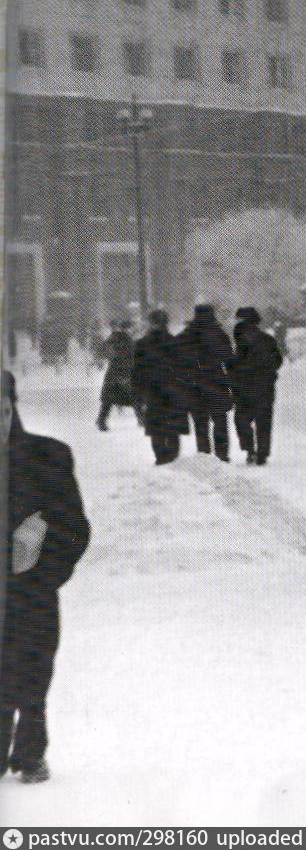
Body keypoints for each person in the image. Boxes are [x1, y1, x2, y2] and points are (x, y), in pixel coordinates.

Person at [3, 370, 92, 784]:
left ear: (12, 408)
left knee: (34, 671)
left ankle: (31, 751)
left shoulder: (47, 456)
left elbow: (74, 528)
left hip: (31, 590)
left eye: (1, 411)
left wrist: (42, 570)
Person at [177, 304, 235, 461]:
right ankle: (222, 456)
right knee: (220, 421)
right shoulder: (218, 334)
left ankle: (204, 456)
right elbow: (229, 360)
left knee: (200, 423)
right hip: (216, 382)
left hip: (193, 385)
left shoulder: (186, 335)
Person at [132, 310, 191, 465]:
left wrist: (137, 395)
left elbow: (137, 372)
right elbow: (185, 371)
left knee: (156, 428)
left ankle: (160, 457)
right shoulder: (177, 343)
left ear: (151, 323)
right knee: (173, 428)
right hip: (174, 391)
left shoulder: (142, 344)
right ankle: (172, 457)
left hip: (152, 392)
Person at [228, 307, 283, 466]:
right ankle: (262, 454)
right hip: (265, 386)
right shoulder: (268, 339)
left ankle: (250, 449)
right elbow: (278, 360)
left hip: (244, 387)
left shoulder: (240, 340)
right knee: (264, 420)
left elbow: (233, 364)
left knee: (242, 419)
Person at [95, 319, 136, 431]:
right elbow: (128, 355)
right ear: (127, 329)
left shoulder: (116, 338)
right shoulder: (124, 339)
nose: (133, 330)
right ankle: (144, 420)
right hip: (122, 371)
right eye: (132, 328)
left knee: (109, 398)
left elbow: (103, 350)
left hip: (115, 371)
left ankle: (101, 420)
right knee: (133, 395)